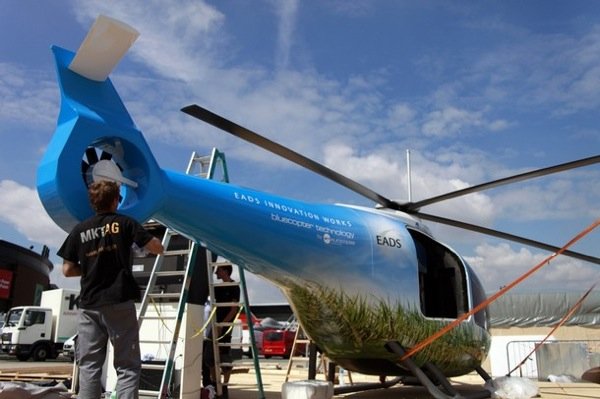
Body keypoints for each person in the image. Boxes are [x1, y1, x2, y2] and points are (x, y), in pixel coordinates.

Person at [58, 180, 164, 399]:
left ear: (93, 203)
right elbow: (156, 247)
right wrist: (154, 244)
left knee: (89, 366)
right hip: (119, 300)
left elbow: (67, 270)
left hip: (89, 305)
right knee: (127, 366)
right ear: (116, 200)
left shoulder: (79, 230)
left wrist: (89, 267)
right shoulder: (125, 223)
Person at [202, 264, 240, 396]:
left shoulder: (234, 287)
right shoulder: (217, 287)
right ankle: (215, 382)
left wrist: (223, 324)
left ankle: (224, 385)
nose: (216, 272)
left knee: (224, 355)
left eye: (218, 270)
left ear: (225, 271)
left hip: (224, 326)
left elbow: (233, 309)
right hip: (215, 324)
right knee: (209, 356)